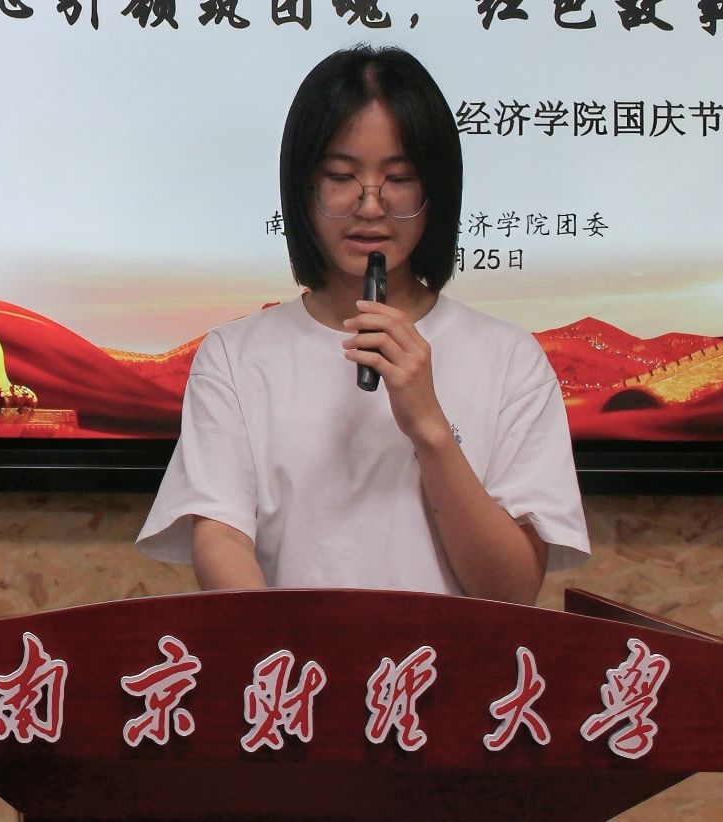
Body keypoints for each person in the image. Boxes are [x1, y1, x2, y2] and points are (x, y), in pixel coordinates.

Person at [137, 46, 588, 602]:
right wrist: (289, 649)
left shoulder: (510, 359)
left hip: (450, 660)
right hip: (290, 659)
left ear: (435, 191)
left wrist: (429, 427)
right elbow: (221, 536)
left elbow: (512, 591)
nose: (370, 206)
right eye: (341, 176)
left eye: (399, 178)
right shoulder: (235, 355)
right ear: (303, 188)